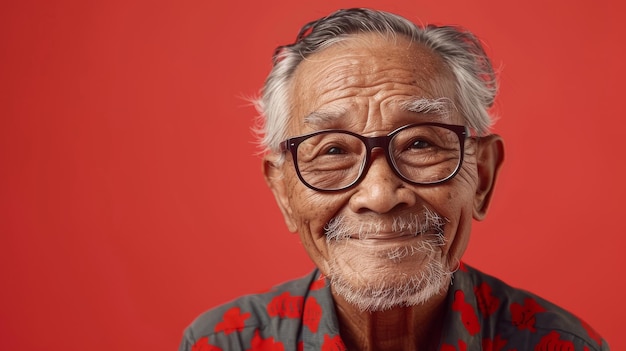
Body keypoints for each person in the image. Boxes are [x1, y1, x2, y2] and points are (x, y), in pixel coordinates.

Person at [180, 8, 609, 351]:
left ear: (481, 177)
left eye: (420, 144)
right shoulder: (226, 343)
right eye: (332, 150)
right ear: (284, 194)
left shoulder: (559, 345)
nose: (381, 194)